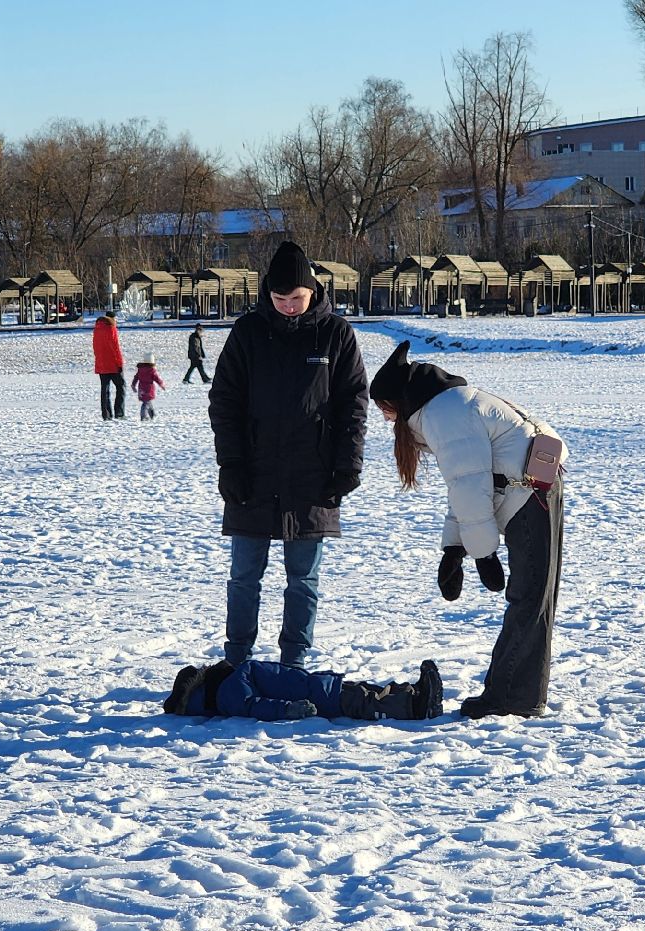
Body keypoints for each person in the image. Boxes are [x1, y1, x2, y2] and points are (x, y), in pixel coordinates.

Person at [369, 342, 566, 718]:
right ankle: (513, 692)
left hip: (529, 492)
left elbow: (470, 486)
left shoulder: (445, 415)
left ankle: (512, 698)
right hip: (533, 486)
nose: (385, 419)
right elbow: (464, 485)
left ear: (399, 400)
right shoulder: (447, 406)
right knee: (532, 596)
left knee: (529, 597)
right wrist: (455, 549)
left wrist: (482, 553)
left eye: (385, 409)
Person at [209, 240, 368, 670]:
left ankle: (294, 662)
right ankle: (236, 659)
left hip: (312, 477)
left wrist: (347, 465)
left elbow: (354, 404)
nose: (289, 307)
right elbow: (224, 401)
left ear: (312, 291)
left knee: (303, 578)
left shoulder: (336, 334)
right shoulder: (247, 333)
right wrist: (231, 464)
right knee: (244, 576)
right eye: (280, 299)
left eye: (296, 298)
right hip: (253, 474)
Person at [164, 658, 442, 721]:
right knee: (364, 701)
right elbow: (255, 706)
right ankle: (416, 707)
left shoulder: (232, 681)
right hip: (313, 696)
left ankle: (414, 693)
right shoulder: (227, 693)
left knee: (364, 691)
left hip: (314, 686)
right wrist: (289, 709)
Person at [93, 312, 126, 420]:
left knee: (105, 390)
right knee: (121, 387)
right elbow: (115, 347)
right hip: (113, 364)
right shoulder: (111, 328)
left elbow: (95, 346)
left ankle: (106, 414)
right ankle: (119, 413)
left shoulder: (97, 329)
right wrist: (120, 363)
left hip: (101, 363)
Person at [132, 352, 165, 420]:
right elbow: (156, 378)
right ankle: (143, 416)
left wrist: (133, 385)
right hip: (149, 388)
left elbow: (136, 377)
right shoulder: (151, 370)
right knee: (146, 402)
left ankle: (152, 415)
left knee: (148, 402)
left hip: (141, 387)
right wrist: (161, 384)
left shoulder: (140, 369)